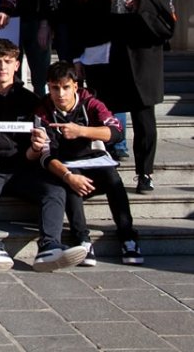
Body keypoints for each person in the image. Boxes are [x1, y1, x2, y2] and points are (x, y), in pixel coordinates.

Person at [0, 39, 86, 272]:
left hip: (23, 168)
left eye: (8, 61)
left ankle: (49, 247)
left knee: (55, 190)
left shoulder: (30, 100)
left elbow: (37, 151)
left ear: (17, 65)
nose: (2, 67)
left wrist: (36, 148)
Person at [62, 0, 169, 194]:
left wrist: (139, 1)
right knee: (103, 114)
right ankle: (105, 169)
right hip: (101, 56)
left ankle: (145, 173)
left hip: (138, 54)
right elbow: (73, 20)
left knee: (144, 116)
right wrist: (76, 57)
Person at [29, 61, 143, 265]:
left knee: (113, 179)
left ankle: (128, 237)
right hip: (65, 165)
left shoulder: (91, 103)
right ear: (48, 87)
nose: (60, 94)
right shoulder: (42, 111)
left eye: (66, 87)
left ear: (75, 86)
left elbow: (116, 132)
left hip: (95, 161)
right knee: (70, 182)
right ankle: (82, 239)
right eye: (55, 88)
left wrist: (81, 131)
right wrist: (68, 176)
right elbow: (46, 156)